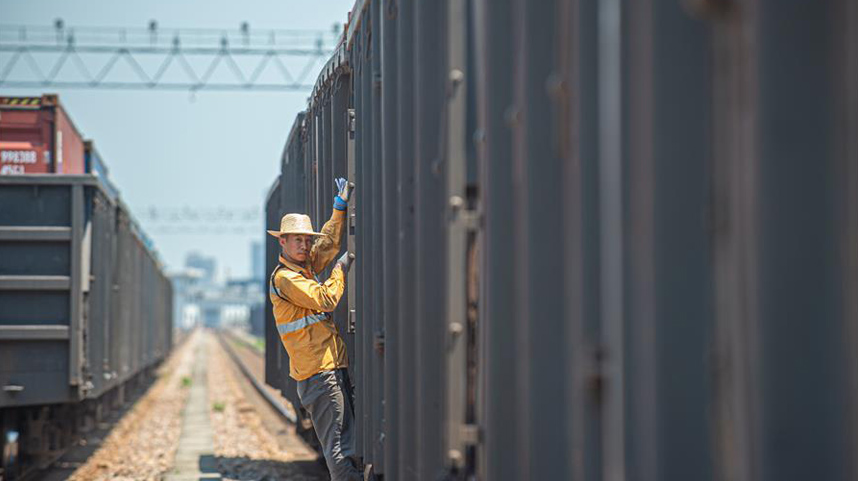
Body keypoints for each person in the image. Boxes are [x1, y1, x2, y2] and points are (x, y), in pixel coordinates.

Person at [267, 177, 361, 481]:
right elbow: (326, 298)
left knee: (344, 442)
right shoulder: (285, 279)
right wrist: (339, 270)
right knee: (339, 447)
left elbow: (329, 243)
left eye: (307, 240)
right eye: (298, 239)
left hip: (326, 369)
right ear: (282, 241)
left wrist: (339, 207)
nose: (305, 244)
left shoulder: (303, 267)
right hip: (320, 374)